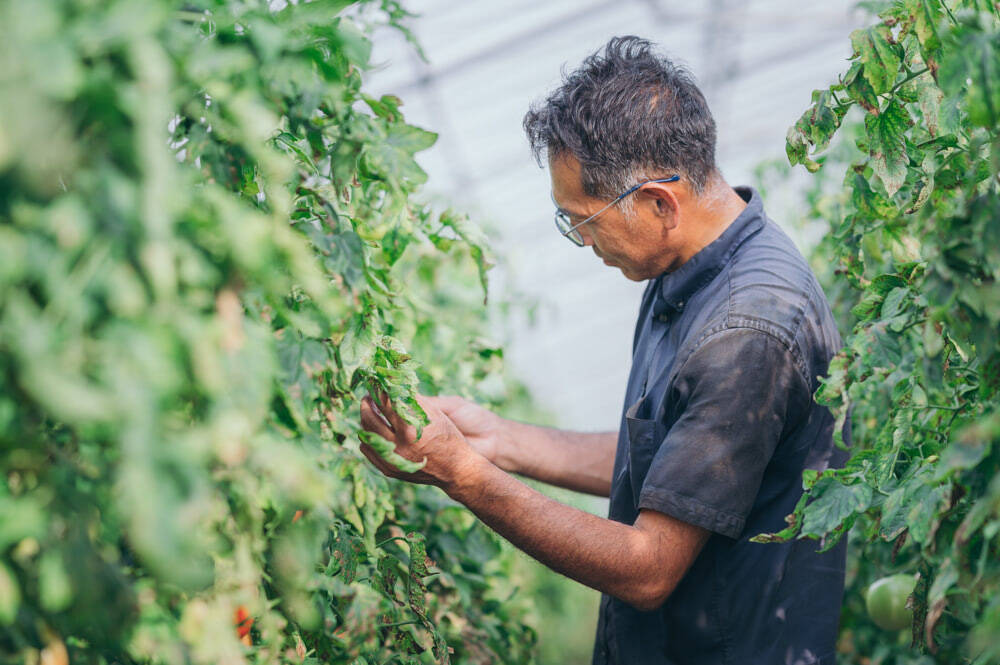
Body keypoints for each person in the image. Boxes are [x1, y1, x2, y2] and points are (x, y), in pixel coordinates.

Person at [358, 36, 848, 665]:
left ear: (659, 203)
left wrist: (463, 473)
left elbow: (648, 569)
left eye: (582, 220)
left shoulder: (746, 330)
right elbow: (671, 462)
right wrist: (497, 440)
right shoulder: (684, 268)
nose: (583, 241)